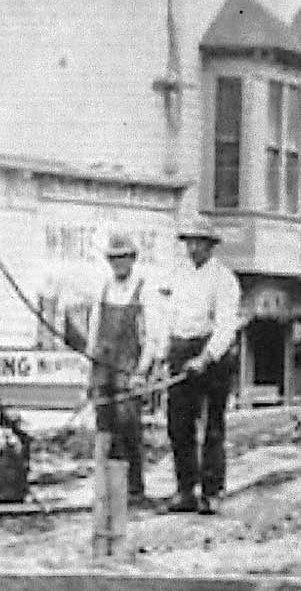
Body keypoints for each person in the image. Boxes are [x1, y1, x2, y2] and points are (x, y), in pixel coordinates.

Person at [163, 214, 242, 514]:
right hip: (181, 350)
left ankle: (212, 491)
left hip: (212, 356)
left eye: (199, 243)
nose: (193, 248)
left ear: (210, 246)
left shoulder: (223, 279)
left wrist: (205, 358)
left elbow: (225, 327)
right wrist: (167, 355)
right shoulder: (178, 275)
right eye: (189, 242)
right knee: (178, 426)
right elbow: (169, 318)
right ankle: (185, 489)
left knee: (212, 425)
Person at [81, 231, 156, 503]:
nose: (118, 264)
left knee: (128, 425)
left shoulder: (143, 290)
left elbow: (150, 338)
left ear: (133, 259)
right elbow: (93, 333)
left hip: (127, 367)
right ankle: (105, 487)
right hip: (102, 366)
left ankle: (134, 486)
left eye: (123, 258)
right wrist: (89, 370)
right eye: (113, 259)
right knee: (104, 425)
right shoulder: (103, 289)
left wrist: (141, 372)